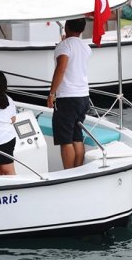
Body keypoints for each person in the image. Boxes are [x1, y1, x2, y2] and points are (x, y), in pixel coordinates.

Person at [47, 18, 91, 169]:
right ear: (82, 29)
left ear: (66, 26)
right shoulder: (86, 47)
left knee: (66, 140)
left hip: (67, 98)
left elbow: (61, 68)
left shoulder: (64, 46)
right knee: (76, 137)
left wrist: (52, 93)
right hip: (83, 97)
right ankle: (77, 170)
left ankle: (69, 172)